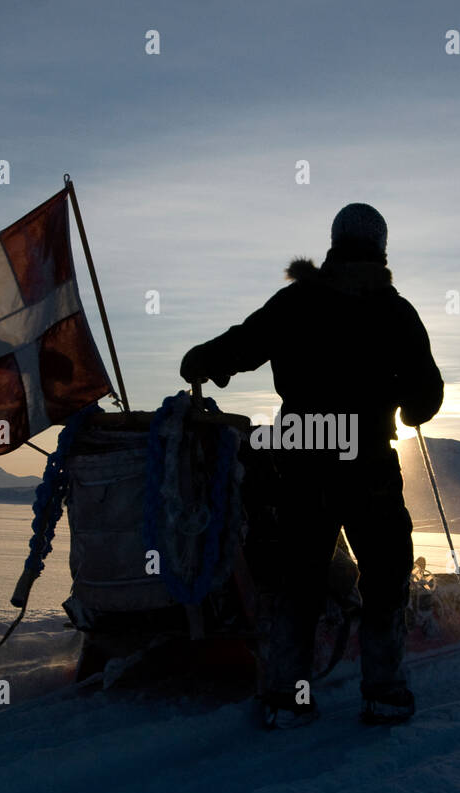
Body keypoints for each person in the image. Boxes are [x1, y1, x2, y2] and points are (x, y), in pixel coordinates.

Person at [180, 203, 443, 727]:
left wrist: (201, 360)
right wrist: (407, 405)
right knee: (386, 574)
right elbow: (426, 396)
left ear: (334, 244)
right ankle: (384, 693)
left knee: (297, 579)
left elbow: (238, 346)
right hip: (367, 463)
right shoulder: (395, 311)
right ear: (382, 249)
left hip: (302, 461)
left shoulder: (294, 303)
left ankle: (284, 696)